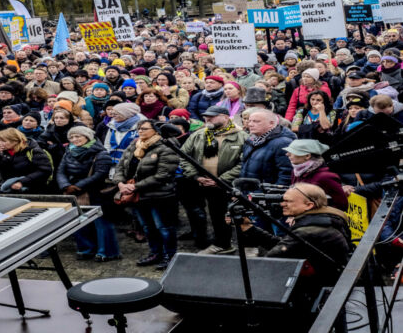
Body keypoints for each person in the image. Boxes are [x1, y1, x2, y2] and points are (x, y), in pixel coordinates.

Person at [237, 183, 351, 289]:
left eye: (288, 201)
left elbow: (270, 260)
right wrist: (249, 229)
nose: (282, 204)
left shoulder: (309, 231)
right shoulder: (323, 220)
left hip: (315, 289)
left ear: (309, 205)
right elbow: (286, 245)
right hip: (327, 283)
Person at [113, 119, 180, 270]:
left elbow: (163, 175)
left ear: (156, 130)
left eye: (144, 129)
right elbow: (120, 167)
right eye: (139, 128)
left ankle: (170, 256)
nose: (140, 131)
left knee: (164, 227)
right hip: (139, 196)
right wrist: (120, 184)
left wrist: (134, 187)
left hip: (160, 195)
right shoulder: (134, 144)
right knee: (148, 227)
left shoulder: (166, 147)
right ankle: (155, 253)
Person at [180, 106, 246, 254]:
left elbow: (244, 163)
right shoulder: (198, 135)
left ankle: (224, 244)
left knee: (221, 216)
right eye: (206, 116)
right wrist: (195, 176)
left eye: (212, 116)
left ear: (225, 117)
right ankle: (202, 239)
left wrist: (221, 180)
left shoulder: (241, 136)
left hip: (224, 185)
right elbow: (183, 156)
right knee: (197, 212)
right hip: (198, 182)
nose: (207, 119)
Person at [57, 125, 119, 261]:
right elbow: (61, 171)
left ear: (87, 137)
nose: (74, 139)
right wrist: (66, 185)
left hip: (96, 191)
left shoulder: (100, 153)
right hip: (73, 191)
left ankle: (106, 252)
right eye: (71, 137)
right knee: (79, 221)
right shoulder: (69, 151)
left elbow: (100, 174)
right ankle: (86, 249)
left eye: (78, 136)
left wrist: (78, 186)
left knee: (101, 223)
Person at [283, 138, 347, 210]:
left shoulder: (325, 177)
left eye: (293, 152)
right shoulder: (296, 172)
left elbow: (342, 205)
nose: (287, 154)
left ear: (307, 156)